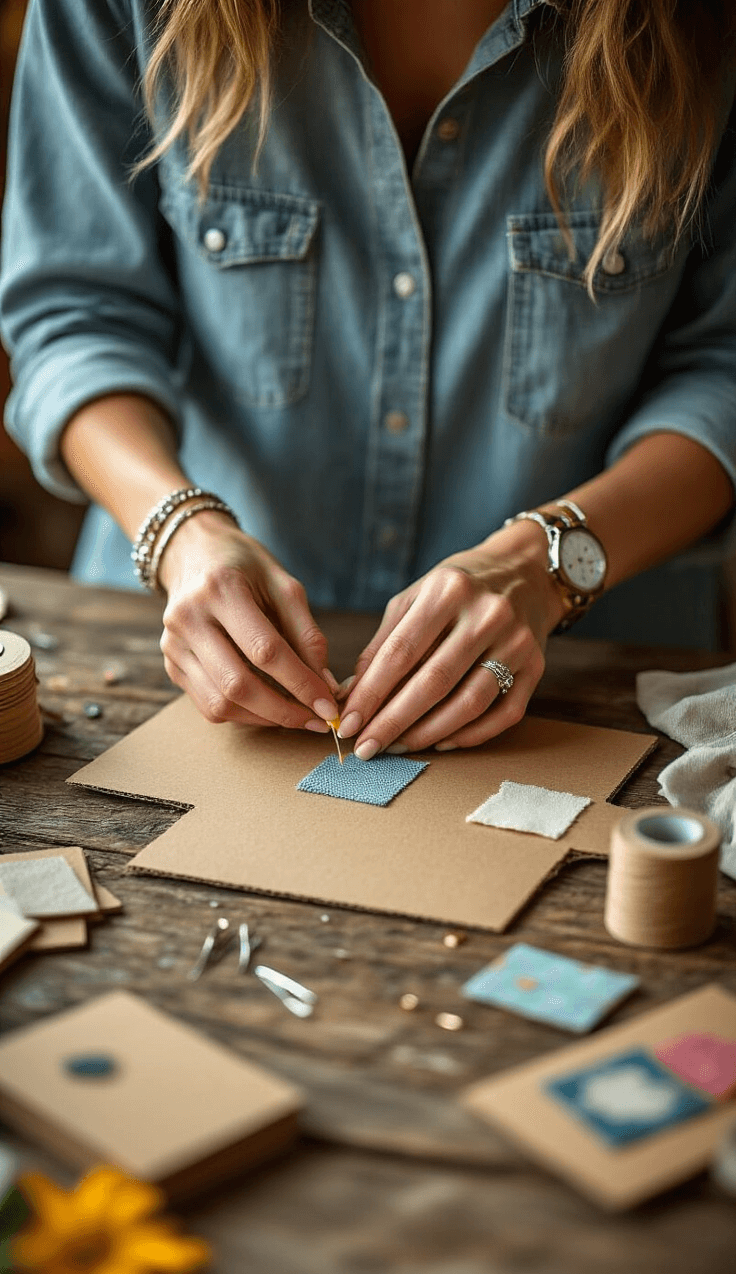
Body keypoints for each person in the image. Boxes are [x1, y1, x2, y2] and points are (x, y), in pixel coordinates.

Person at [2, 0, 735, 761]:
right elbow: (73, 315)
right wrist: (181, 533)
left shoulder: (704, 26)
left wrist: (546, 569)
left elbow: (723, 370)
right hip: (179, 675)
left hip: (595, 686)